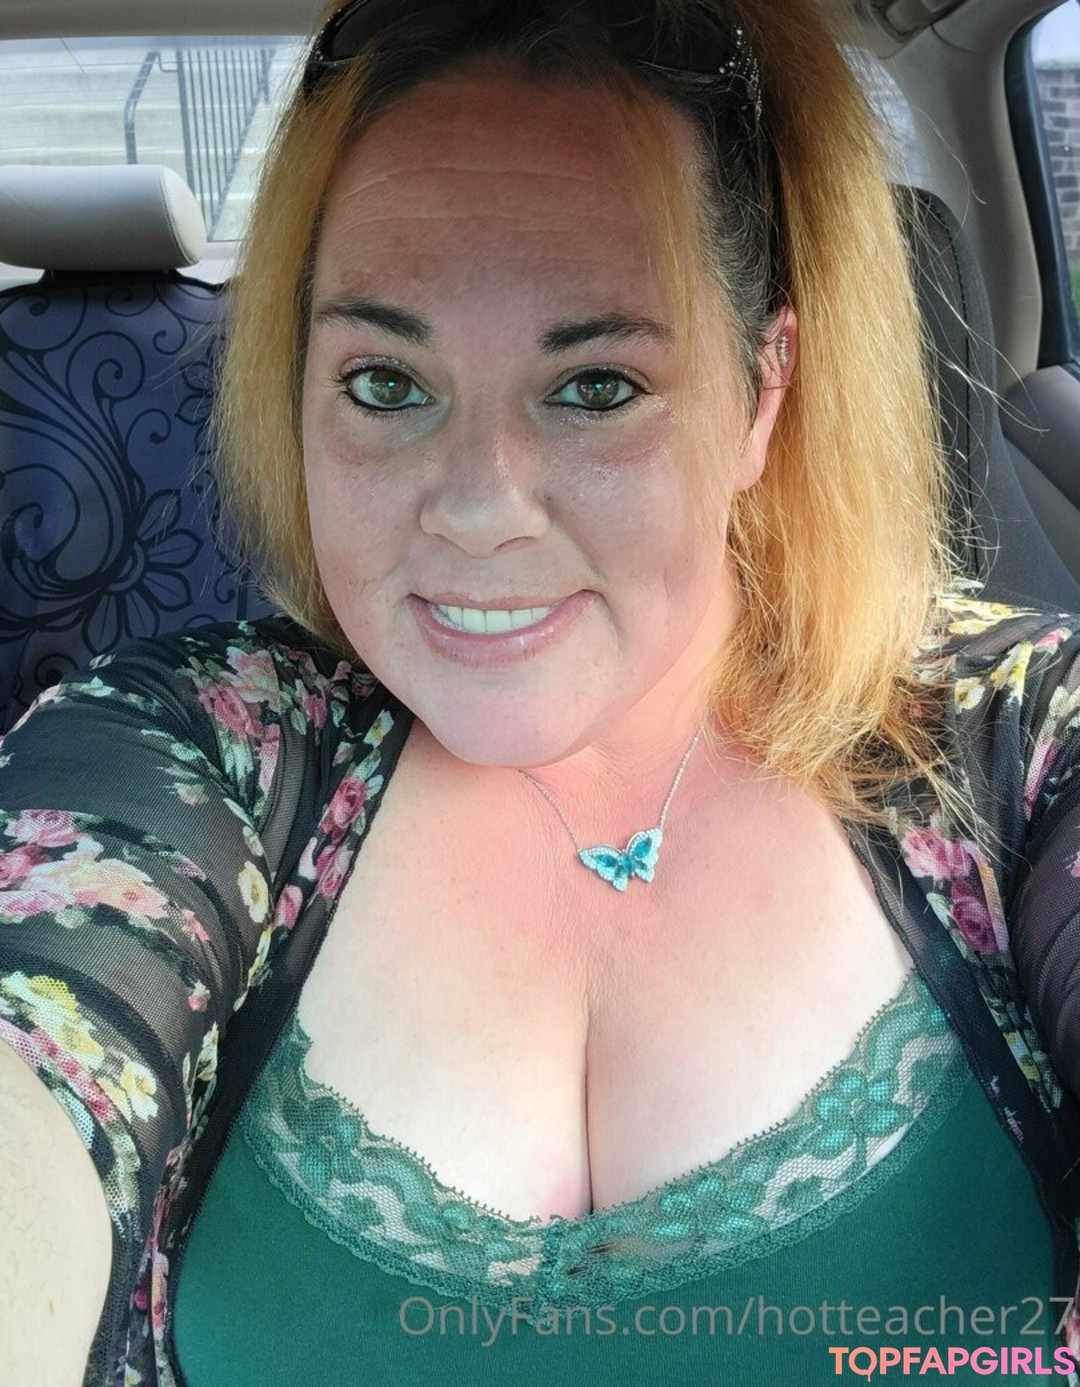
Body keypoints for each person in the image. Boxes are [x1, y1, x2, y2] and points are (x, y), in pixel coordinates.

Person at [3, 0, 1080, 1383]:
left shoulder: (1013, 742)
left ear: (761, 398)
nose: (477, 510)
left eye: (595, 388)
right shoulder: (196, 750)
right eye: (386, 383)